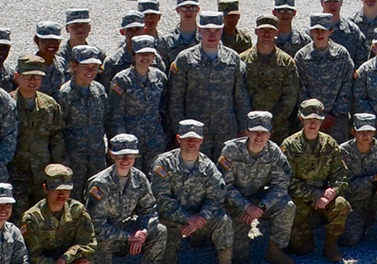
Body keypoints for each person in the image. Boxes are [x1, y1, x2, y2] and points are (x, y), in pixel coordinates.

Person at [152, 120, 239, 264]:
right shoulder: (163, 163)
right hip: (172, 220)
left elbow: (217, 196)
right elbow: (161, 199)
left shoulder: (208, 166)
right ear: (178, 139)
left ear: (201, 140)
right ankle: (169, 257)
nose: (191, 143)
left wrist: (200, 219)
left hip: (199, 217)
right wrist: (187, 218)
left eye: (195, 139)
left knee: (223, 220)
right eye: (186, 139)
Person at [87, 134, 174, 264]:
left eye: (129, 155)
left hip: (127, 229)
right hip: (103, 238)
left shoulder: (139, 178)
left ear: (135, 155)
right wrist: (129, 236)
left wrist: (143, 232)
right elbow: (96, 226)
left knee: (160, 230)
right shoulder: (100, 184)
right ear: (112, 155)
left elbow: (150, 210)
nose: (125, 159)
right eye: (120, 155)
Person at [19, 164, 97, 264]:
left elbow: (89, 242)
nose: (62, 194)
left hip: (64, 261)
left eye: (66, 190)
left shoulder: (77, 210)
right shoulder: (32, 218)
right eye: (56, 189)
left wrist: (64, 260)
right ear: (45, 188)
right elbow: (31, 258)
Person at [219, 112, 297, 264]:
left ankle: (275, 250)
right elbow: (223, 186)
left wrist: (261, 206)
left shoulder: (274, 152)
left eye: (264, 132)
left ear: (270, 134)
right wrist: (247, 207)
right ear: (247, 132)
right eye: (255, 131)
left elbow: (281, 184)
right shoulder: (231, 150)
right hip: (234, 203)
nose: (259, 136)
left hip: (258, 198)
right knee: (239, 259)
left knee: (287, 206)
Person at [168, 11, 251, 156]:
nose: (212, 35)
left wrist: (244, 128)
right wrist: (178, 130)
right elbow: (175, 99)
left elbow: (240, 97)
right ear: (199, 30)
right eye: (207, 30)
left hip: (226, 130)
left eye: (216, 30)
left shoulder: (233, 59)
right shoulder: (185, 59)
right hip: (194, 132)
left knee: (226, 172)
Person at [283, 102, 353, 263]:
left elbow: (341, 173)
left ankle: (330, 245)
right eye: (308, 119)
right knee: (303, 249)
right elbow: (287, 181)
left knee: (341, 204)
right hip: (299, 199)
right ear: (301, 119)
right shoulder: (289, 145)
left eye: (317, 120)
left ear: (322, 121)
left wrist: (332, 191)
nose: (312, 124)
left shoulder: (329, 143)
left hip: (324, 198)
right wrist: (317, 195)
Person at [9, 55, 66, 211]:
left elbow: (56, 139)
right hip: (15, 175)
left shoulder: (49, 106)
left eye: (37, 76)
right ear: (17, 76)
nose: (32, 80)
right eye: (27, 76)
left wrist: (56, 171)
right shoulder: (6, 105)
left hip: (42, 175)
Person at [106, 35, 171, 165]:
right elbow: (115, 115)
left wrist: (164, 134)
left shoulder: (159, 78)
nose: (145, 57)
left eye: (149, 53)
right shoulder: (122, 80)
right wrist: (122, 142)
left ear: (154, 56)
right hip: (130, 142)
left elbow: (164, 108)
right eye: (141, 54)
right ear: (133, 55)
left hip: (155, 141)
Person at [294, 13, 357, 140]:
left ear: (331, 31)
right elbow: (299, 88)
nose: (319, 34)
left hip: (337, 120)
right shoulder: (302, 56)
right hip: (309, 120)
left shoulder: (342, 55)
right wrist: (314, 115)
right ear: (311, 32)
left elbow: (348, 85)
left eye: (323, 30)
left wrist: (334, 113)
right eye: (316, 30)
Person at [340, 115, 377, 250]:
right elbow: (345, 186)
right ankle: (366, 218)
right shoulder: (344, 151)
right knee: (350, 239)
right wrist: (373, 178)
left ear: (374, 132)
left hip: (376, 195)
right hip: (356, 199)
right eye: (360, 132)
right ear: (353, 132)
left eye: (369, 131)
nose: (365, 136)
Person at [242, 15, 303, 139]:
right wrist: (250, 123)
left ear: (277, 32)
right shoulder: (242, 61)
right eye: (262, 30)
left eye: (270, 31)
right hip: (248, 128)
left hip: (277, 129)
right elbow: (239, 96)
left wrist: (271, 123)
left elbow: (289, 98)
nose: (266, 34)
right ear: (256, 31)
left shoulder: (286, 63)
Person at [59, 45, 111, 183]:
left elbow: (106, 120)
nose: (91, 71)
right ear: (74, 66)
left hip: (97, 157)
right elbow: (58, 130)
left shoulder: (99, 90)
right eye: (86, 66)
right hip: (74, 159)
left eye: (94, 66)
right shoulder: (65, 94)